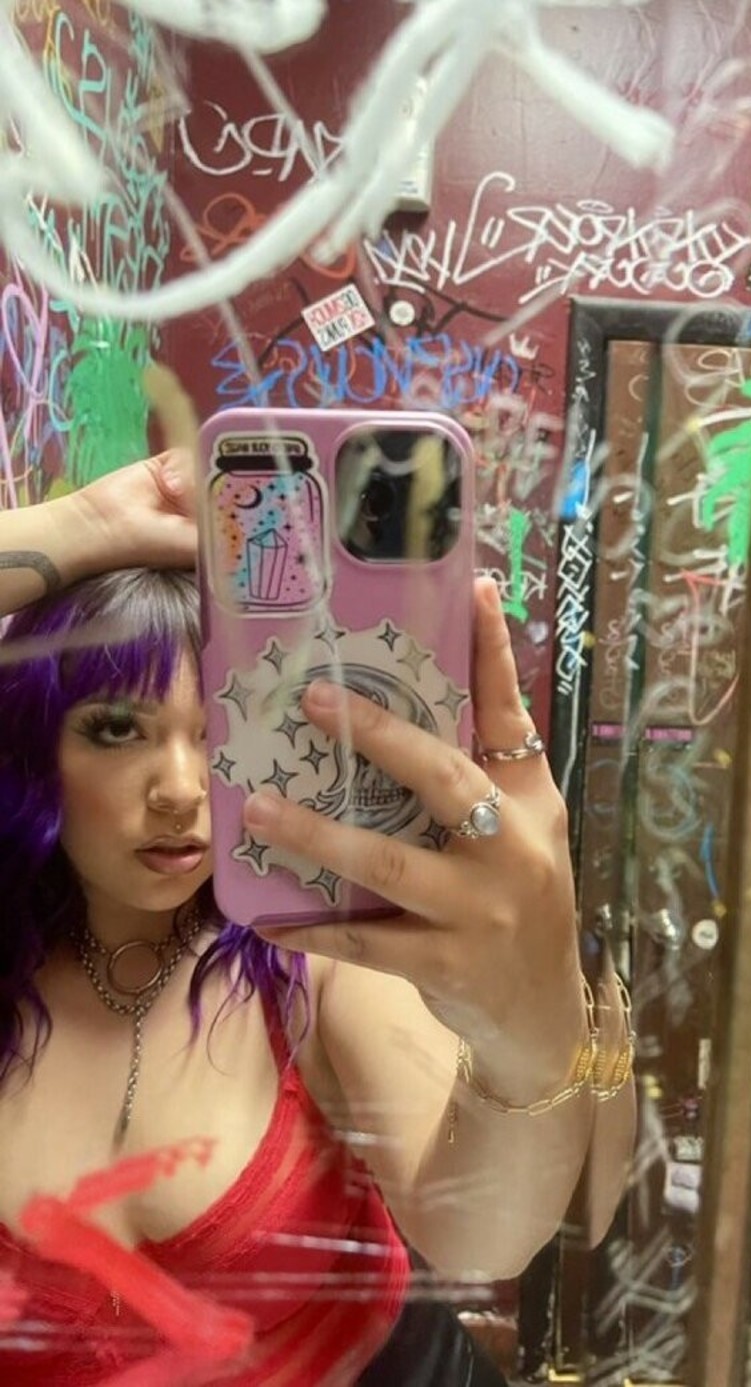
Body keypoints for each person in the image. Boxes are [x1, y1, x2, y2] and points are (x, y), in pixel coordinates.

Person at [0, 452, 636, 1385]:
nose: (180, 790)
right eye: (117, 728)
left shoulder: (309, 948)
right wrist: (80, 531)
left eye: (222, 729)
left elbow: (482, 1232)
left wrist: (531, 1040)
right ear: (34, 743)